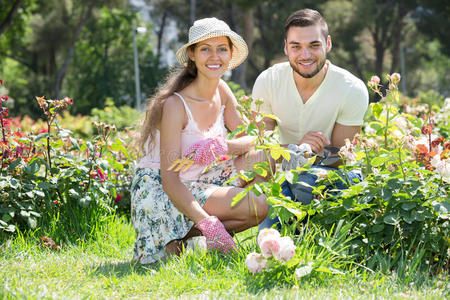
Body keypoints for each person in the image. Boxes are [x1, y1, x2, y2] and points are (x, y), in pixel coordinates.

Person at [131, 17, 269, 265]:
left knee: (264, 159)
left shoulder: (222, 91)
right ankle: (188, 234)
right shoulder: (175, 105)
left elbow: (251, 137)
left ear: (230, 54)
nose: (214, 57)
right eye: (205, 49)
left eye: (221, 49)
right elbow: (170, 180)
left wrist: (222, 148)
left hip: (202, 175)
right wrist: (210, 224)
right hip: (162, 190)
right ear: (192, 55)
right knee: (256, 204)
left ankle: (186, 238)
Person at [252, 9, 369, 228]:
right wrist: (299, 149)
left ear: (328, 44)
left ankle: (321, 228)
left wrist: (312, 155)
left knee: (305, 181)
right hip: (287, 182)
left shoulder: (351, 88)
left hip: (332, 180)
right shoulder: (268, 81)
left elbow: (343, 157)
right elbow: (257, 150)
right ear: (286, 47)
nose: (305, 55)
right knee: (266, 238)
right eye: (296, 46)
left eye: (314, 45)